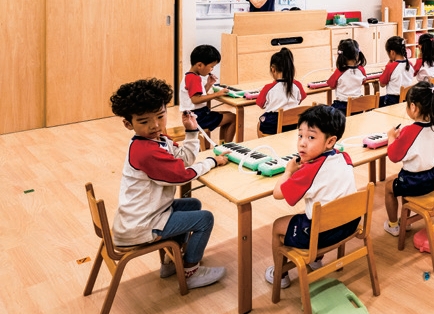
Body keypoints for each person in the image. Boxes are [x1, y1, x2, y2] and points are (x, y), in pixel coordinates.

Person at [109, 78, 229, 289]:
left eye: (160, 116)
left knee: (191, 204)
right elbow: (182, 175)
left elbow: (184, 159)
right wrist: (211, 161)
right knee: (205, 219)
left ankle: (170, 262)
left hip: (143, 214)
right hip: (140, 225)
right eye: (144, 121)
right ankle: (191, 271)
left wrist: (191, 131)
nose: (155, 125)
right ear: (128, 124)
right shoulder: (146, 151)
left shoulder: (157, 140)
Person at [264, 105, 359, 289]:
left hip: (323, 235)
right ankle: (316, 260)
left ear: (330, 141)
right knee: (320, 208)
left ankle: (280, 274)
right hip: (349, 224)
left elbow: (278, 193)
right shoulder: (345, 157)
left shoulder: (308, 171)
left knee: (278, 225)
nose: (302, 143)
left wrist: (288, 171)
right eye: (300, 135)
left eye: (311, 137)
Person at [381, 82, 434, 236]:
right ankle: (406, 221)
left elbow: (393, 156)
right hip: (433, 179)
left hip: (415, 182)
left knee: (389, 188)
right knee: (403, 183)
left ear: (414, 107)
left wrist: (391, 137)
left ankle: (393, 225)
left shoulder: (409, 131)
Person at [180, 45, 236, 143]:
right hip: (198, 117)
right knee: (233, 118)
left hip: (195, 115)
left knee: (229, 115)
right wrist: (217, 94)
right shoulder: (194, 78)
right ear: (200, 65)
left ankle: (223, 144)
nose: (212, 69)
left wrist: (209, 84)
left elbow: (198, 95)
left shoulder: (190, 76)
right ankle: (227, 146)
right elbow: (195, 99)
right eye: (211, 66)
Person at [256, 47, 307, 135]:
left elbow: (261, 104)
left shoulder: (268, 88)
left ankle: (264, 145)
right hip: (293, 124)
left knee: (259, 124)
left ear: (273, 69)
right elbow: (301, 98)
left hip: (274, 125)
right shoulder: (297, 85)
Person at [325, 39, 367, 115]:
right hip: (358, 105)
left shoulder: (339, 71)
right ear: (357, 54)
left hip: (342, 107)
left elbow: (331, 85)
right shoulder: (361, 70)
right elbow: (363, 81)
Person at [379, 36, 415, 107]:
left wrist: (386, 69)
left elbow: (382, 84)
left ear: (392, 52)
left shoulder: (390, 66)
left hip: (392, 101)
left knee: (374, 104)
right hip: (407, 98)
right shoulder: (410, 64)